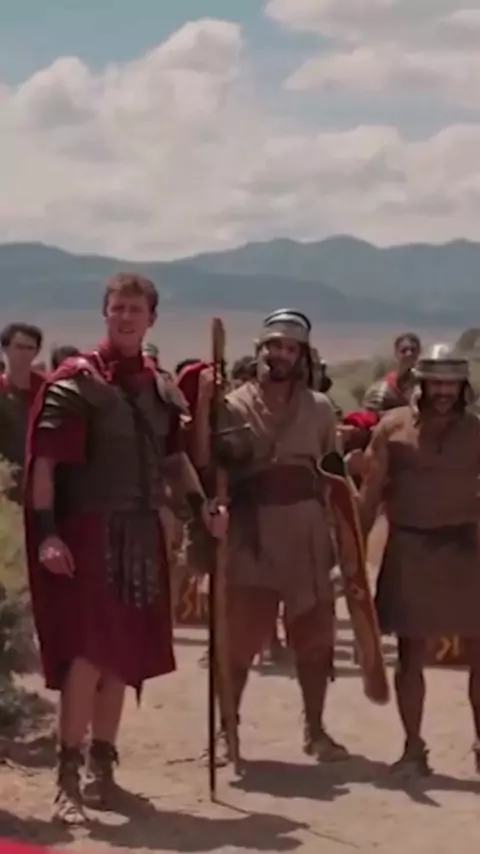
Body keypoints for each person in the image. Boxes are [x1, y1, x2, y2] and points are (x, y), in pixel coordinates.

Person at [24, 272, 226, 824]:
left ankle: (103, 768)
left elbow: (173, 460)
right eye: (117, 308)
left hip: (140, 532)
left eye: (135, 309)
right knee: (88, 656)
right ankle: (67, 778)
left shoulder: (159, 388)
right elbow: (45, 467)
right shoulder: (76, 381)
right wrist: (48, 533)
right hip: (89, 532)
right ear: (105, 313)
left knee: (121, 656)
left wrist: (202, 506)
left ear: (151, 318)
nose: (126, 317)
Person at [190, 308, 349, 765]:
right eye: (273, 346)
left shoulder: (320, 409)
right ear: (260, 351)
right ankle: (227, 731)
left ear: (302, 356)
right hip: (251, 530)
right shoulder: (232, 405)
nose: (281, 355)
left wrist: (341, 542)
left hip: (306, 531)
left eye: (290, 348)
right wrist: (203, 405)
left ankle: (315, 730)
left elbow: (333, 475)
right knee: (237, 641)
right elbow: (205, 461)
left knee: (314, 639)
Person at [359, 344, 480, 777]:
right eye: (437, 383)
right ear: (422, 384)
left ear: (463, 386)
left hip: (467, 548)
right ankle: (413, 748)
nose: (444, 392)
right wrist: (351, 553)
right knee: (411, 654)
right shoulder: (392, 428)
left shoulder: (476, 431)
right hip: (410, 547)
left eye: (452, 384)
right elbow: (370, 493)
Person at [0, 322, 45, 502]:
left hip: (45, 484)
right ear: (5, 349)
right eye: (19, 347)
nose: (24, 353)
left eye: (30, 348)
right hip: (8, 483)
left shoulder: (49, 390)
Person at [362, 332, 421, 413]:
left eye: (413, 350)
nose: (409, 354)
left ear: (418, 353)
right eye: (404, 351)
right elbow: (369, 415)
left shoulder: (422, 383)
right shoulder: (381, 390)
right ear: (396, 353)